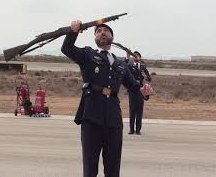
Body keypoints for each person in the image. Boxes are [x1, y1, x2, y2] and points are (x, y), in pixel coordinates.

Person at [61, 20, 152, 177]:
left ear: (112, 37)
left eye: (106, 30)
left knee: (113, 168)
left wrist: (144, 91)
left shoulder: (120, 64)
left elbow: (133, 87)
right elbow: (67, 48)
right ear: (95, 37)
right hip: (91, 117)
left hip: (113, 121)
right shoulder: (88, 54)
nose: (102, 32)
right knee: (90, 169)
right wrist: (73, 31)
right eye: (98, 31)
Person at [125, 51, 152, 135]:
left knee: (139, 111)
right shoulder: (129, 66)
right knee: (132, 111)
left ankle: (138, 130)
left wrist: (145, 76)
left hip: (141, 91)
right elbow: (123, 67)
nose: (135, 57)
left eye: (137, 56)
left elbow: (149, 79)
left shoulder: (143, 67)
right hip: (132, 91)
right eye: (134, 56)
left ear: (140, 57)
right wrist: (127, 58)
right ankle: (131, 129)